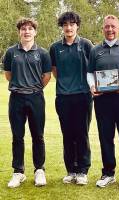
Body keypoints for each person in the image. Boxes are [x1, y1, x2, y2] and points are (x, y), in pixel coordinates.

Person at [87, 15, 119, 188]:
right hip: (102, 100)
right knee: (105, 137)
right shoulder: (95, 50)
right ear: (103, 29)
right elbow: (89, 73)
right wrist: (92, 85)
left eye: (113, 27)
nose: (110, 29)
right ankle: (108, 173)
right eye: (107, 26)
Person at [3, 18, 51, 188]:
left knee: (38, 135)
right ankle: (18, 172)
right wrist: (21, 86)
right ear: (19, 32)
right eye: (23, 29)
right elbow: (8, 74)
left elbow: (47, 76)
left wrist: (33, 88)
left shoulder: (43, 53)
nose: (27, 31)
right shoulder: (10, 52)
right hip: (16, 97)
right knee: (17, 136)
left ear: (35, 32)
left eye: (30, 29)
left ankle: (39, 170)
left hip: (36, 97)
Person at [49, 11, 93, 185]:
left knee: (82, 134)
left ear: (77, 26)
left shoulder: (87, 44)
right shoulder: (55, 47)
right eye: (65, 24)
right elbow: (54, 70)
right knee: (67, 134)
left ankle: (82, 170)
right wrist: (66, 83)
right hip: (63, 97)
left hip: (83, 96)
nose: (68, 27)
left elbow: (93, 69)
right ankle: (71, 170)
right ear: (62, 27)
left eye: (72, 24)